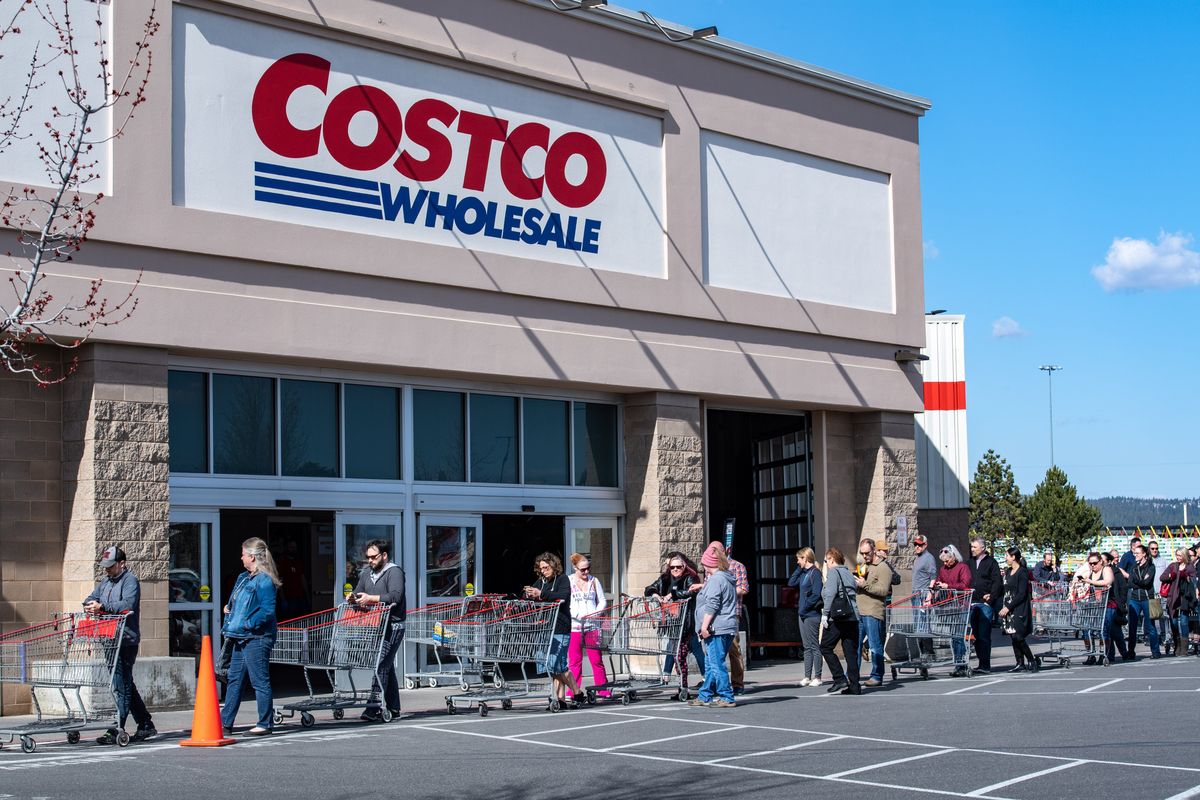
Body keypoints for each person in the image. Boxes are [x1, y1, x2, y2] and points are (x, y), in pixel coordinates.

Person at [83, 546, 156, 744]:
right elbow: (91, 598)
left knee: (121, 686)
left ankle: (116, 728)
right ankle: (146, 724)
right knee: (124, 684)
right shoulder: (106, 582)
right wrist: (90, 605)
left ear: (121, 564)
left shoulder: (130, 581)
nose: (106, 570)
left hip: (125, 640)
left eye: (110, 566)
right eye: (105, 566)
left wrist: (103, 607)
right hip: (109, 639)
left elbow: (127, 605)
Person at [220, 537, 281, 736]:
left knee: (259, 680)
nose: (241, 557)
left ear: (252, 557)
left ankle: (265, 723)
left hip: (257, 637)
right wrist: (230, 608)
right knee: (235, 680)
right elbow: (238, 601)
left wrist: (249, 624)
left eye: (244, 554)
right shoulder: (243, 577)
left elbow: (267, 610)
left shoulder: (264, 580)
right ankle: (225, 723)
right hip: (240, 636)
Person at [351, 539, 406, 721]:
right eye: (368, 558)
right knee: (386, 666)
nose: (370, 561)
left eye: (373, 557)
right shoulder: (367, 574)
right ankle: (394, 708)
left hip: (393, 626)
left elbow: (395, 596)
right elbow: (359, 592)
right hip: (375, 625)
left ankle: (373, 707)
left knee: (381, 665)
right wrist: (353, 597)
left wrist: (371, 598)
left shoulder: (394, 571)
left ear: (384, 555)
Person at [524, 552, 581, 707]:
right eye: (541, 568)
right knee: (551, 665)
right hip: (545, 627)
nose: (543, 571)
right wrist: (529, 593)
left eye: (546, 567)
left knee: (557, 665)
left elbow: (562, 596)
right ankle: (561, 698)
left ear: (553, 566)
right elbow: (530, 594)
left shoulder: (563, 579)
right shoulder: (541, 581)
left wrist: (541, 594)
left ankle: (574, 691)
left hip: (560, 626)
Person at [689, 543, 739, 708]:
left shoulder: (716, 579)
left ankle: (726, 696)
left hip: (717, 628)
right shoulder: (725, 577)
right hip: (727, 626)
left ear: (708, 563)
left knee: (716, 663)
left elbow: (712, 605)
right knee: (711, 663)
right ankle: (705, 695)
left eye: (704, 563)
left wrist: (704, 626)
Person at [645, 552, 704, 688]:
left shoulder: (689, 578)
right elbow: (649, 588)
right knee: (672, 648)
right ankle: (666, 677)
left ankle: (706, 678)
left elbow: (691, 592)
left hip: (687, 621)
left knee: (695, 649)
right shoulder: (665, 579)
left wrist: (673, 594)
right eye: (672, 567)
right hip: (673, 622)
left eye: (678, 567)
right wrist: (655, 594)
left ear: (684, 566)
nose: (675, 570)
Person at [707, 541, 749, 695]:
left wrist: (725, 591)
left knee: (733, 649)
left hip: (731, 614)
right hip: (713, 615)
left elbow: (744, 588)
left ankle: (737, 684)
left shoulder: (737, 566)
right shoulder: (710, 568)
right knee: (715, 652)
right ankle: (714, 684)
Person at [567, 552, 610, 701]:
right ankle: (574, 690)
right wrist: (576, 614)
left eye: (588, 569)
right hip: (575, 626)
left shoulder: (594, 581)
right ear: (575, 568)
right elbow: (566, 602)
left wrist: (595, 613)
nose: (586, 572)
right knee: (575, 661)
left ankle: (602, 689)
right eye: (582, 570)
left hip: (592, 626)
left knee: (596, 659)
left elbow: (602, 601)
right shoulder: (569, 582)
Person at [818, 547, 861, 695]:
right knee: (851, 652)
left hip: (838, 617)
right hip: (853, 616)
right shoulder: (848, 573)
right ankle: (854, 685)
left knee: (825, 647)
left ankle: (839, 678)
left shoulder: (834, 572)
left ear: (832, 559)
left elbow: (830, 594)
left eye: (826, 560)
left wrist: (825, 614)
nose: (826, 563)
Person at [854, 537, 893, 688]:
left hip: (873, 612)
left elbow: (883, 591)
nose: (864, 556)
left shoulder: (883, 568)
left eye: (867, 553)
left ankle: (877, 675)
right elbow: (860, 586)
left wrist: (865, 585)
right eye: (862, 553)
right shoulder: (864, 565)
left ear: (874, 550)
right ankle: (853, 674)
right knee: (855, 646)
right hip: (860, 612)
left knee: (875, 646)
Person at [931, 544, 972, 676]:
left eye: (947, 560)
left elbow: (965, 584)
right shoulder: (943, 569)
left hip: (961, 605)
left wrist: (948, 585)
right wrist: (936, 585)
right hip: (950, 606)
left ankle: (961, 664)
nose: (945, 563)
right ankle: (958, 663)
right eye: (943, 561)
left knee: (958, 636)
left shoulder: (962, 567)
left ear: (954, 556)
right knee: (953, 637)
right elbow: (940, 580)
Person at [787, 547, 824, 687]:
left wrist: (806, 606)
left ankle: (818, 676)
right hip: (802, 614)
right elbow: (791, 583)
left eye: (799, 559)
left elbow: (816, 594)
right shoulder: (804, 573)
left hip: (811, 614)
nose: (797, 561)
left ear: (805, 558)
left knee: (814, 645)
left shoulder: (815, 573)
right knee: (806, 646)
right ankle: (807, 676)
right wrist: (799, 569)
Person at [966, 538, 1003, 674]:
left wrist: (991, 598)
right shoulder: (969, 563)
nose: (972, 549)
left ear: (982, 548)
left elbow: (997, 582)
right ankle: (981, 663)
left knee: (984, 635)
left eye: (975, 547)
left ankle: (985, 664)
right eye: (971, 547)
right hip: (972, 603)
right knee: (976, 635)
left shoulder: (991, 563)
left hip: (985, 604)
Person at [998, 546, 1037, 672]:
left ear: (1013, 557)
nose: (1005, 558)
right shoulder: (1008, 572)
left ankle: (1032, 660)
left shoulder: (1022, 572)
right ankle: (1020, 663)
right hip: (1008, 607)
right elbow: (1004, 588)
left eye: (1007, 556)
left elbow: (1021, 594)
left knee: (1018, 636)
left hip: (1019, 608)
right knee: (1012, 635)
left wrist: (1008, 607)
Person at [1074, 552, 1113, 665]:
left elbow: (1107, 581)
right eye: (1090, 563)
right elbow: (1081, 579)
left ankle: (1103, 654)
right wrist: (1079, 582)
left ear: (1101, 561)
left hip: (1106, 604)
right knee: (1086, 630)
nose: (1092, 565)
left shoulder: (1106, 570)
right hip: (1092, 604)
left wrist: (1090, 582)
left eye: (1095, 563)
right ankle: (1090, 654)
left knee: (1103, 631)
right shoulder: (1090, 572)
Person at [1159, 547, 1197, 657]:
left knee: (1184, 622)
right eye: (1177, 555)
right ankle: (1177, 645)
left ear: (1185, 555)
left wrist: (1186, 577)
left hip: (1184, 597)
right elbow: (1162, 577)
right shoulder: (1173, 566)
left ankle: (1184, 648)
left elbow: (1193, 581)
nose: (1178, 557)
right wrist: (1171, 576)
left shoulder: (1190, 567)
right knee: (1173, 622)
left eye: (1180, 555)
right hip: (1173, 596)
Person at [1127, 543, 1161, 659]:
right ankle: (1130, 652)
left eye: (1137, 553)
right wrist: (1139, 581)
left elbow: (1147, 583)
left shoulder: (1151, 566)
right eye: (1134, 553)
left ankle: (1155, 652)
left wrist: (1137, 581)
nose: (1135, 555)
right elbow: (1130, 583)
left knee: (1150, 626)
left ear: (1144, 554)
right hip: (1134, 599)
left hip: (1147, 598)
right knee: (1132, 626)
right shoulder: (1133, 566)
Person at [1101, 552, 1131, 662]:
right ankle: (1111, 654)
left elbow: (1123, 588)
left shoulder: (1115, 571)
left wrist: (1121, 602)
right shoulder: (1099, 571)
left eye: (1102, 560)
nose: (1101, 562)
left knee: (1115, 630)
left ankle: (1121, 653)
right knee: (1109, 631)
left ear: (1108, 561)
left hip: (1114, 604)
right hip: (1103, 605)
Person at [275, 538, 310, 618]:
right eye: (291, 547)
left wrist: (307, 596)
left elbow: (302, 578)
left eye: (294, 547)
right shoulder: (283, 562)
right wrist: (283, 598)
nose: (293, 549)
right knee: (290, 621)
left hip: (300, 597)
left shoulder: (298, 561)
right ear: (286, 548)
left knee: (302, 620)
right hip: (289, 597)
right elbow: (279, 581)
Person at [1149, 540, 1173, 653]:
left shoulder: (1163, 560)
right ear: (1149, 549)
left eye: (1156, 548)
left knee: (1165, 616)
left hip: (1162, 593)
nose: (1155, 550)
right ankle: (1156, 638)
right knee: (1154, 617)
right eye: (1152, 548)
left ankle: (1167, 637)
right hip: (1151, 594)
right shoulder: (1148, 561)